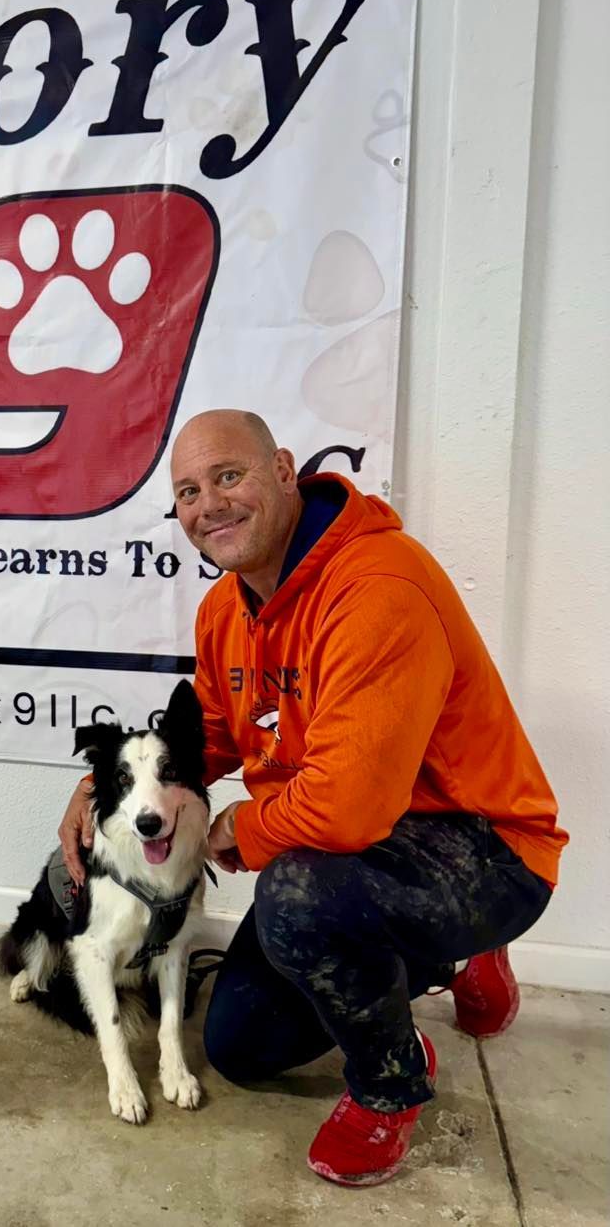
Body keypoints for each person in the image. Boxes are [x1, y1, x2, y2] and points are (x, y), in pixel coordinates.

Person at [58, 409, 566, 1187]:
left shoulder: (378, 588)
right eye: (188, 492)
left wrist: (238, 826)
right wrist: (102, 789)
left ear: (283, 469)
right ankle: (428, 961)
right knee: (240, 1046)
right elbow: (211, 740)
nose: (209, 505)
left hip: (483, 850)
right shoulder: (225, 609)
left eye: (228, 476)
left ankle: (390, 1083)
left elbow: (346, 809)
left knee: (297, 895)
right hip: (353, 857)